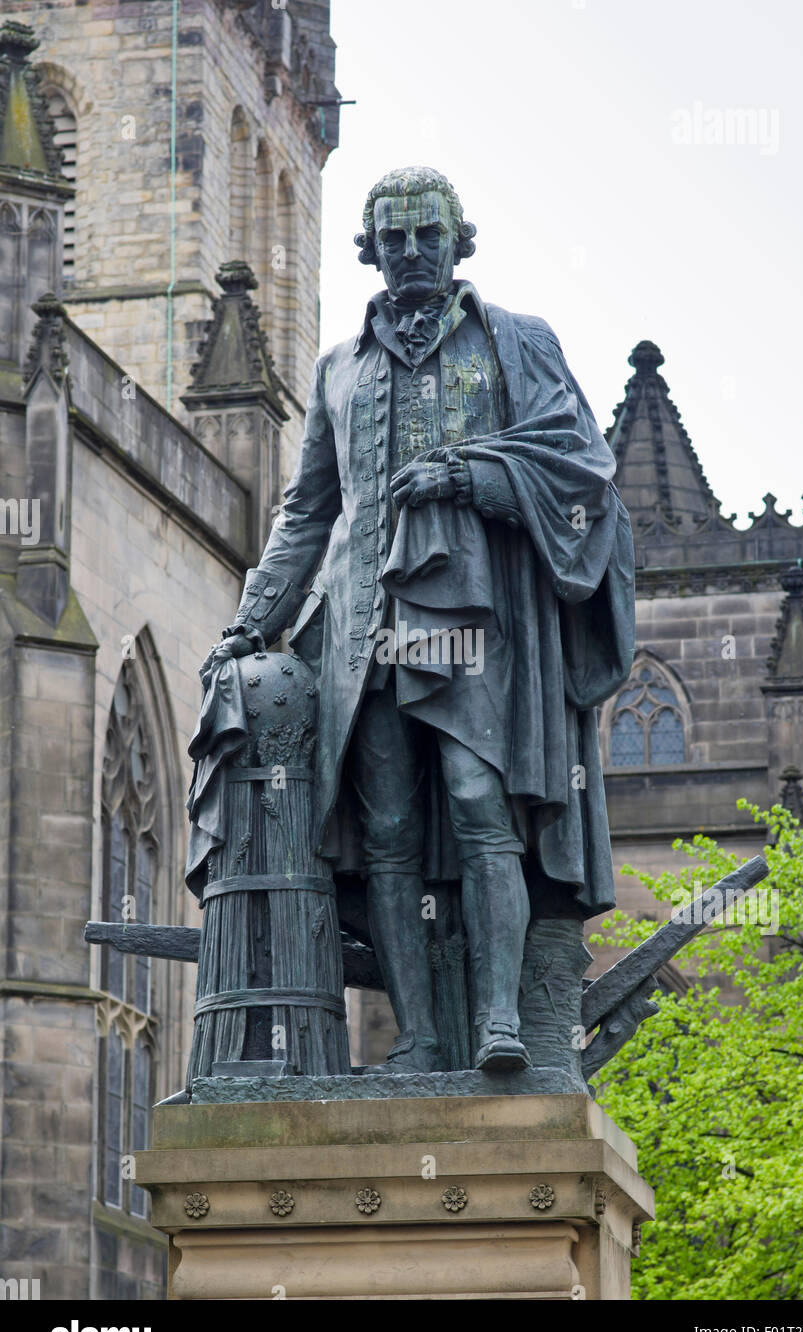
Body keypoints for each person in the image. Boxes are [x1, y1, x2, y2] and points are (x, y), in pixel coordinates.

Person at [201, 166, 635, 1073]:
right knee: (388, 831)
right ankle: (421, 1035)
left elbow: (578, 466)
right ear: (370, 250)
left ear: (458, 240)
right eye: (391, 238)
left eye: (426, 235)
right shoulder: (337, 368)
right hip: (361, 624)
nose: (409, 252)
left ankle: (499, 1021)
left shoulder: (515, 341)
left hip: (474, 615)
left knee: (482, 805)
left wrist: (470, 476)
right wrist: (251, 621)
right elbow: (307, 512)